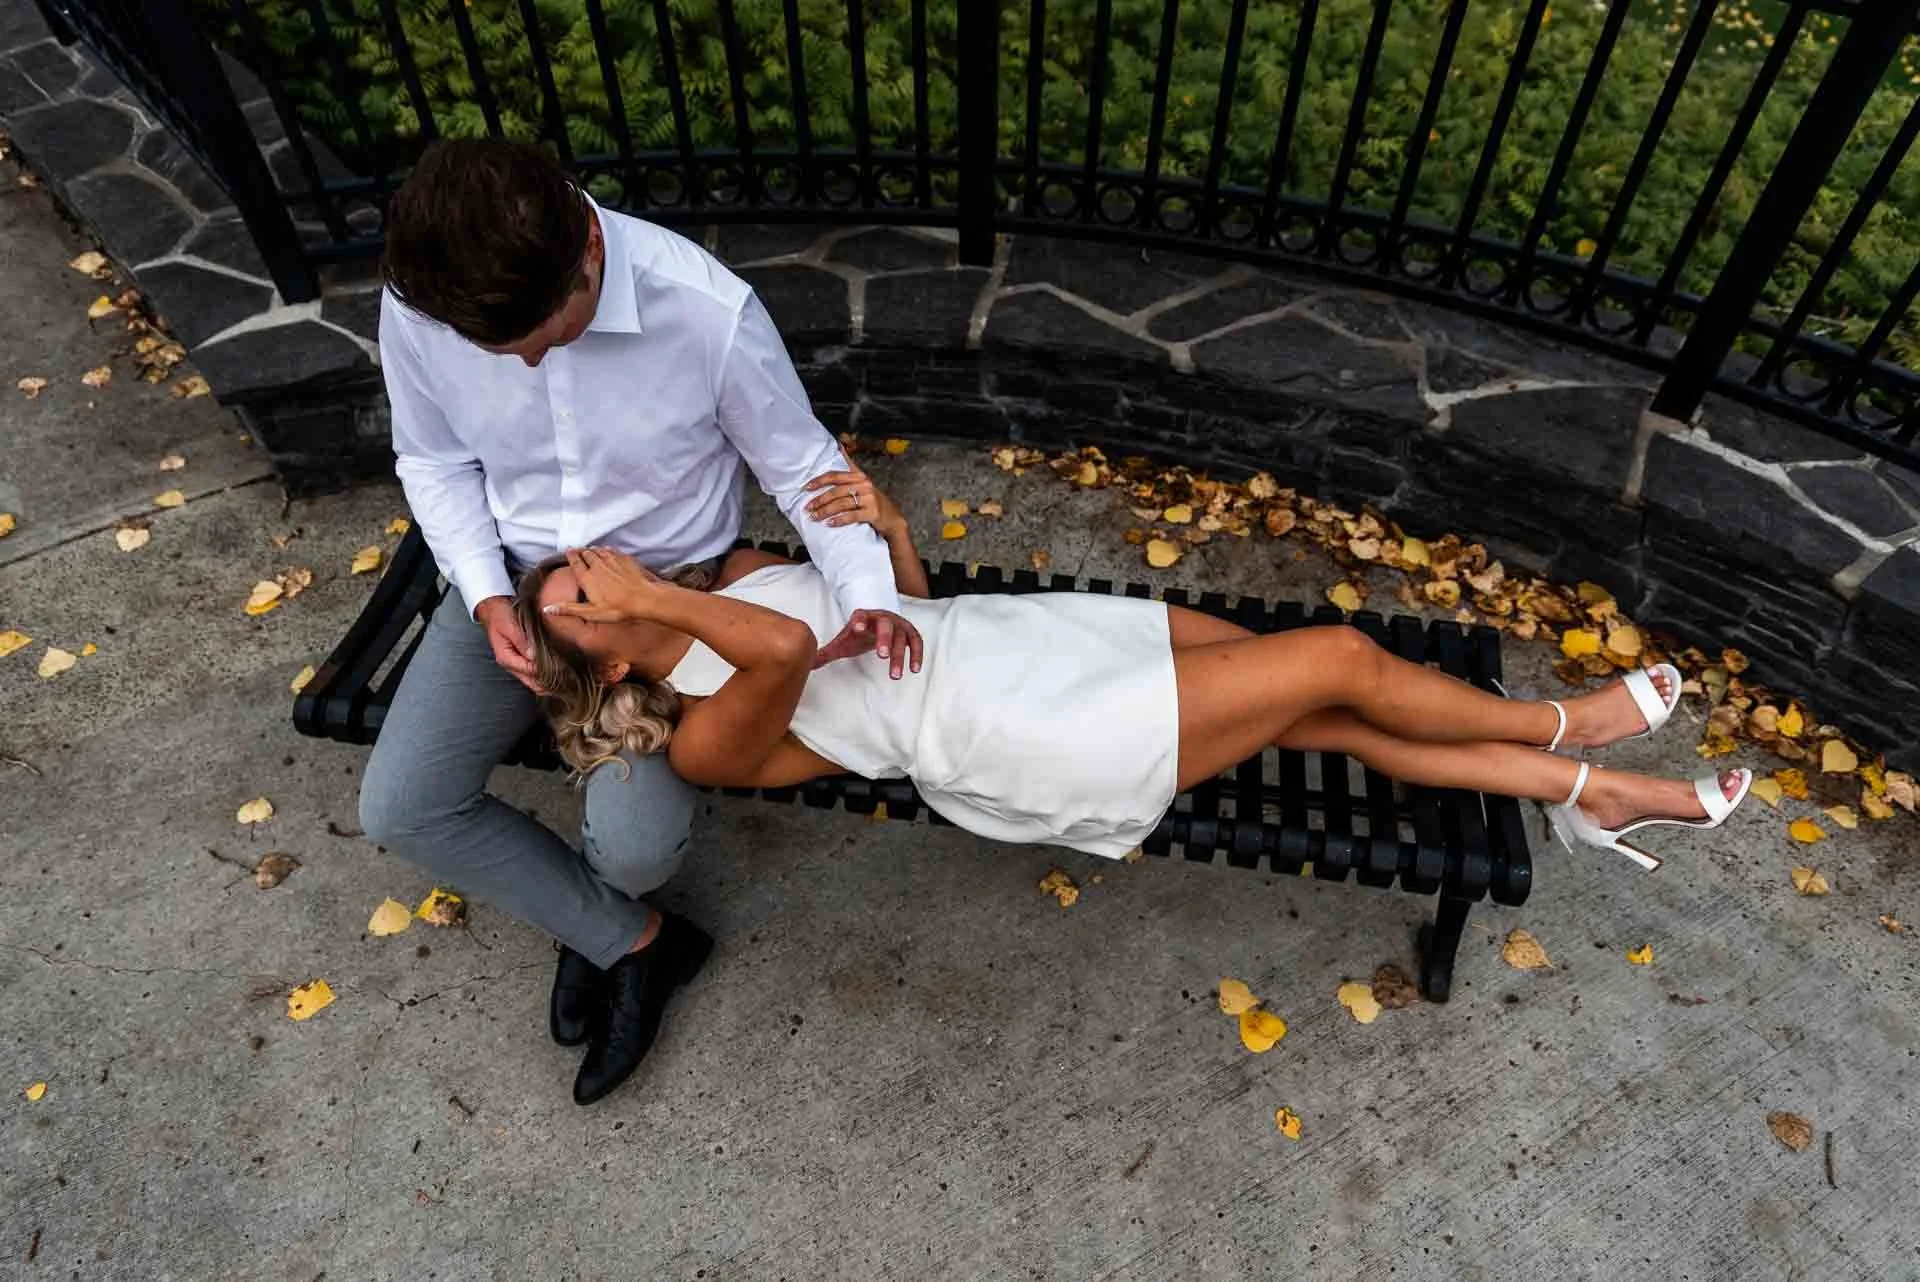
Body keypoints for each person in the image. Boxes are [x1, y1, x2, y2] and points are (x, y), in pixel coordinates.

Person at [521, 465, 1753, 1022]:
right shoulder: (700, 738)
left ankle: (1589, 793)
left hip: (1024, 642)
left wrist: (891, 534)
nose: (594, 569)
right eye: (578, 596)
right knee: (1334, 658)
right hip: (1027, 730)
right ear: (609, 662)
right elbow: (788, 652)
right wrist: (661, 598)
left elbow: (899, 623)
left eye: (577, 565)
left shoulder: (738, 571)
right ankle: (1571, 729)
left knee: (1334, 714)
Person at [360, 138, 922, 1107]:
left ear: (589, 248)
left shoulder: (703, 309)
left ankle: (600, 910)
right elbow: (436, 459)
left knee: (635, 850)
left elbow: (803, 471)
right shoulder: (425, 301)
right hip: (514, 584)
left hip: (666, 610)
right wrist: (487, 595)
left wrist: (871, 596)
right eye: (503, 352)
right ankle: (632, 940)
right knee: (401, 806)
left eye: (546, 336)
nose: (527, 361)